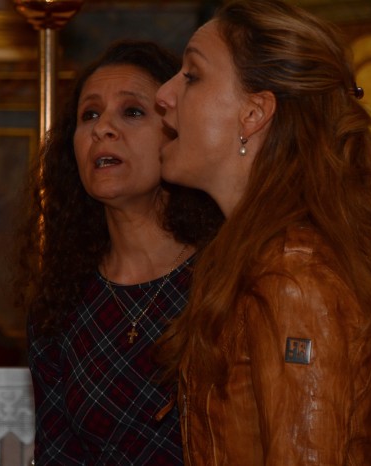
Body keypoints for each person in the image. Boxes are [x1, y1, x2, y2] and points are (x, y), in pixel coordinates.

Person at [154, 0, 371, 464]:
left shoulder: (295, 276)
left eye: (192, 76)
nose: (163, 94)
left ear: (254, 113)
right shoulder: (256, 258)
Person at [14, 40, 223, 464]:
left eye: (132, 111)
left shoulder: (225, 276)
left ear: (178, 131)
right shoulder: (62, 300)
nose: (102, 129)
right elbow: (58, 455)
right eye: (90, 115)